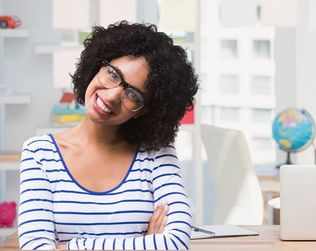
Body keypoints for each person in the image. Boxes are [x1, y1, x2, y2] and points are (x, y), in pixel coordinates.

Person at [17, 21, 198, 250]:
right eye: (113, 74)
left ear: (145, 110)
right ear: (96, 67)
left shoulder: (156, 154)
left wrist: (70, 246)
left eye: (133, 94)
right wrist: (143, 244)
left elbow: (175, 242)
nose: (112, 96)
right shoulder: (40, 153)